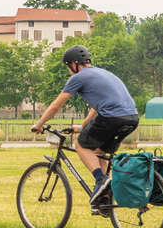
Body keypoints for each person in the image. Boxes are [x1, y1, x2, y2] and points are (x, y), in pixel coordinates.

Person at [31, 45, 139, 212]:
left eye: (68, 67)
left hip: (112, 118)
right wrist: (82, 126)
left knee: (80, 146)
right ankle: (103, 198)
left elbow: (56, 105)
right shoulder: (104, 74)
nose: (69, 71)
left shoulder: (78, 77)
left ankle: (101, 180)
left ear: (75, 64)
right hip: (132, 118)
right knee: (98, 151)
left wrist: (39, 124)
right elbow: (96, 107)